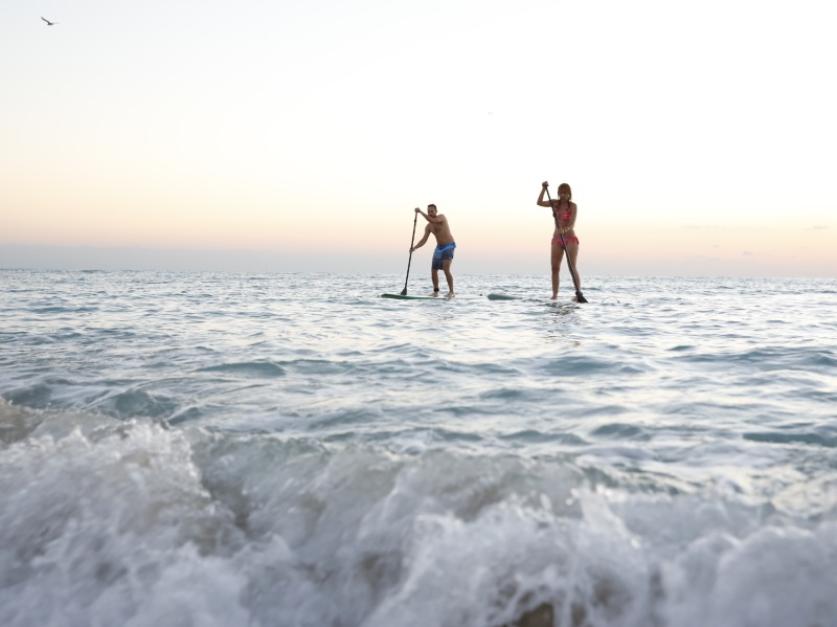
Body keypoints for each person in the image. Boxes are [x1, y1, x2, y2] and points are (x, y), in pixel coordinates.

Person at [537, 181, 581, 300]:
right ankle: (555, 295)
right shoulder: (555, 203)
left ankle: (578, 293)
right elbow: (539, 202)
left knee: (572, 266)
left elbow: (571, 223)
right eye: (561, 192)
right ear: (558, 193)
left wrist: (565, 229)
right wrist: (543, 188)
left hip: (570, 238)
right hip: (557, 239)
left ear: (569, 194)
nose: (563, 195)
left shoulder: (573, 206)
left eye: (566, 193)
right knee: (555, 268)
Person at [410, 204, 456, 297]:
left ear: (436, 211)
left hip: (449, 246)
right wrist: (414, 248)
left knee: (446, 269)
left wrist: (420, 212)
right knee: (434, 269)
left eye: (432, 211)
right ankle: (436, 291)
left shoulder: (441, 217)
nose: (430, 213)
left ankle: (451, 292)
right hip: (439, 248)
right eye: (428, 211)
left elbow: (432, 219)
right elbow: (424, 240)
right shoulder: (428, 227)